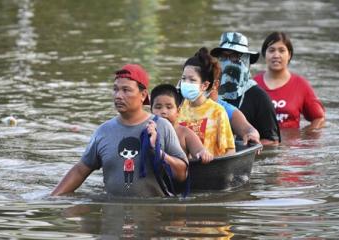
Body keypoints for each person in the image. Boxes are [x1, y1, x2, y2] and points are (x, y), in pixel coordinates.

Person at [51, 64, 188, 197]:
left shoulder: (161, 126)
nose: (118, 95)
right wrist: (53, 198)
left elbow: (182, 174)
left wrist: (158, 152)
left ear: (143, 95)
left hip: (154, 215)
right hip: (113, 214)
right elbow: (80, 170)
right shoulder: (103, 132)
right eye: (115, 89)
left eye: (126, 90)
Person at [210, 31, 281, 146]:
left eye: (234, 56)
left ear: (246, 60)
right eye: (224, 56)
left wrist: (244, 146)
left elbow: (273, 141)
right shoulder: (210, 92)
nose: (228, 62)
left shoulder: (259, 97)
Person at [254, 31, 325, 131]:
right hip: (261, 145)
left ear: (289, 55)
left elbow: (319, 118)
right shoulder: (252, 85)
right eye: (271, 50)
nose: (276, 55)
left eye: (281, 50)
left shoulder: (301, 85)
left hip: (290, 146)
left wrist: (304, 136)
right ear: (264, 54)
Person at [177, 47, 235, 157]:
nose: (186, 83)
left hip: (211, 169)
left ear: (205, 85)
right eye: (184, 78)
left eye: (192, 80)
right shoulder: (178, 108)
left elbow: (230, 151)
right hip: (184, 168)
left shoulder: (217, 111)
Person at [150, 84, 214, 164]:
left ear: (178, 111)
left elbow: (199, 150)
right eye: (158, 107)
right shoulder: (146, 130)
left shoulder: (185, 133)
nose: (163, 111)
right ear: (151, 111)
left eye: (169, 107)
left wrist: (203, 153)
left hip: (179, 173)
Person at [206, 78, 261, 146]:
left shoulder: (225, 109)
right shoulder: (188, 106)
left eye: (192, 80)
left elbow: (249, 130)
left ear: (215, 84)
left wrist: (251, 136)